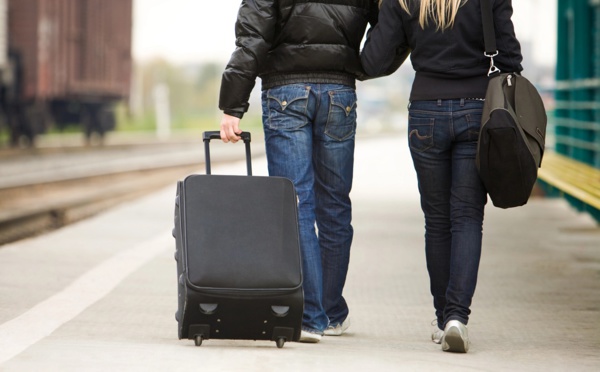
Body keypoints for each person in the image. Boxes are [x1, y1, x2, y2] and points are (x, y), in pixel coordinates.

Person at [219, 0, 406, 343]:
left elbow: (251, 39)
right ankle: (331, 313)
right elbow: (394, 28)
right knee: (335, 205)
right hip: (339, 91)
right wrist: (359, 67)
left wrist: (232, 105)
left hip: (285, 91)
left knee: (297, 204)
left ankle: (310, 315)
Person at [361, 0, 522, 353]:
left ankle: (440, 319)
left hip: (424, 112)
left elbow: (372, 61)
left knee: (436, 220)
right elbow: (511, 56)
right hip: (476, 111)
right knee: (466, 217)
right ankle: (456, 317)